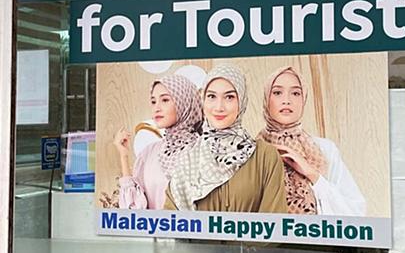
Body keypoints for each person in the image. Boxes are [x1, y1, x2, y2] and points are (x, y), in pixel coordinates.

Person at [168, 63, 287, 213]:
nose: (219, 107)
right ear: (203, 100)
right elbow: (169, 219)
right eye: (211, 96)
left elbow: (274, 221)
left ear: (241, 101)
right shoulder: (188, 157)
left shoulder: (264, 156)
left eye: (229, 97)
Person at [258, 65, 367, 216]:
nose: (287, 100)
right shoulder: (249, 152)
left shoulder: (324, 149)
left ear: (304, 100)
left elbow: (355, 212)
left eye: (295, 93)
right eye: (277, 92)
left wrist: (312, 174)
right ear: (266, 99)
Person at [114, 73, 202, 209]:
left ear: (184, 102)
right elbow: (133, 211)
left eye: (165, 100)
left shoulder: (203, 151)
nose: (157, 108)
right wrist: (124, 156)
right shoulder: (149, 153)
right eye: (153, 101)